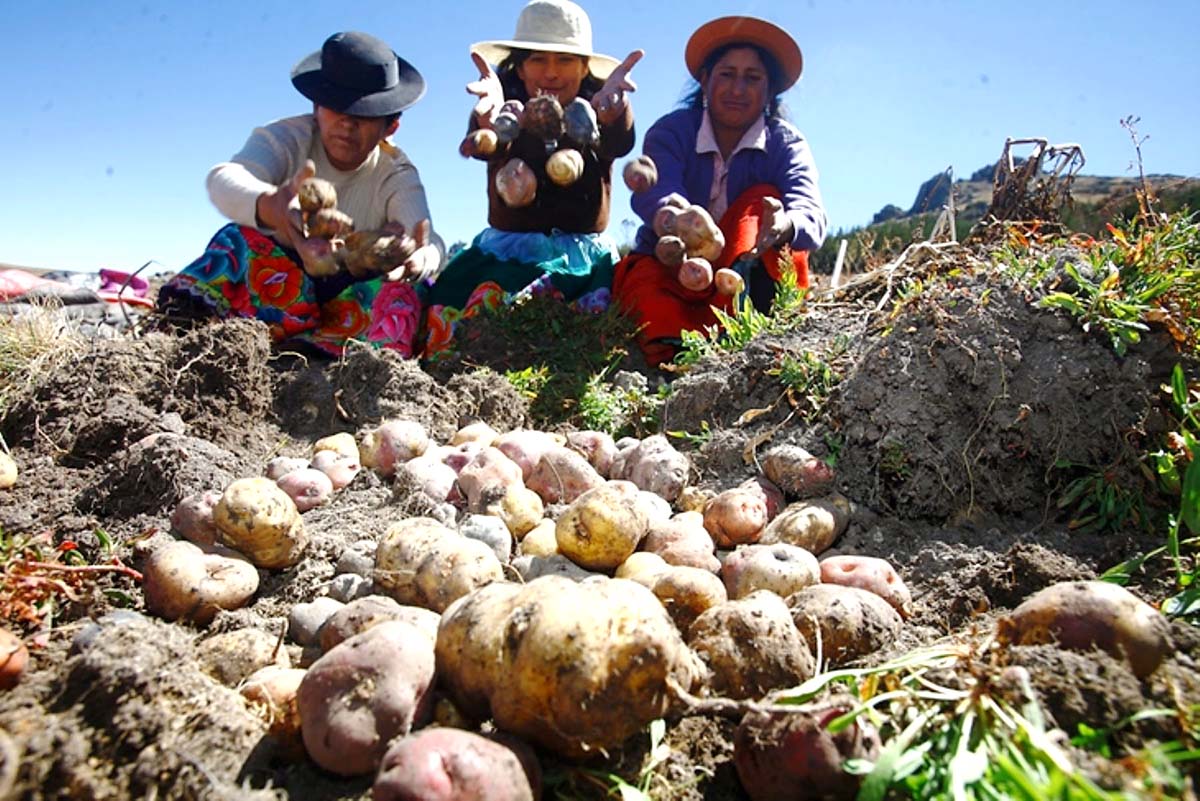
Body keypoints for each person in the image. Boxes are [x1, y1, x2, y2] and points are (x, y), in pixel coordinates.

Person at [157, 31, 445, 357]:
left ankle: (331, 362)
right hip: (276, 288)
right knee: (236, 240)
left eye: (364, 115)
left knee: (408, 291)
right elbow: (223, 180)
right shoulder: (287, 138)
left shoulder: (397, 173)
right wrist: (271, 206)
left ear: (390, 127)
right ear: (316, 107)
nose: (347, 123)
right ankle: (187, 343)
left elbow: (426, 237)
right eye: (336, 108)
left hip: (349, 300)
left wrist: (420, 257)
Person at [420, 0, 642, 361]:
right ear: (520, 69)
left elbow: (620, 142)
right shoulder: (504, 109)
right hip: (508, 252)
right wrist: (486, 125)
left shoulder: (599, 107)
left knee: (592, 329)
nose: (551, 72)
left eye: (565, 60)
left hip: (582, 261)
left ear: (585, 67)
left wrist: (615, 113)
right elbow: (485, 147)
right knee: (460, 303)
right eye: (538, 60)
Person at [612, 16, 828, 368]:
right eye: (726, 74)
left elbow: (811, 214)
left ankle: (752, 333)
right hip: (673, 265)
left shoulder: (786, 144)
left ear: (770, 89)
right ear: (705, 80)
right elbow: (657, 188)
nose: (738, 89)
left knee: (764, 199)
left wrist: (783, 225)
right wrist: (675, 217)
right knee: (643, 284)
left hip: (746, 275)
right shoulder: (672, 131)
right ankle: (671, 354)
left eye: (752, 78)